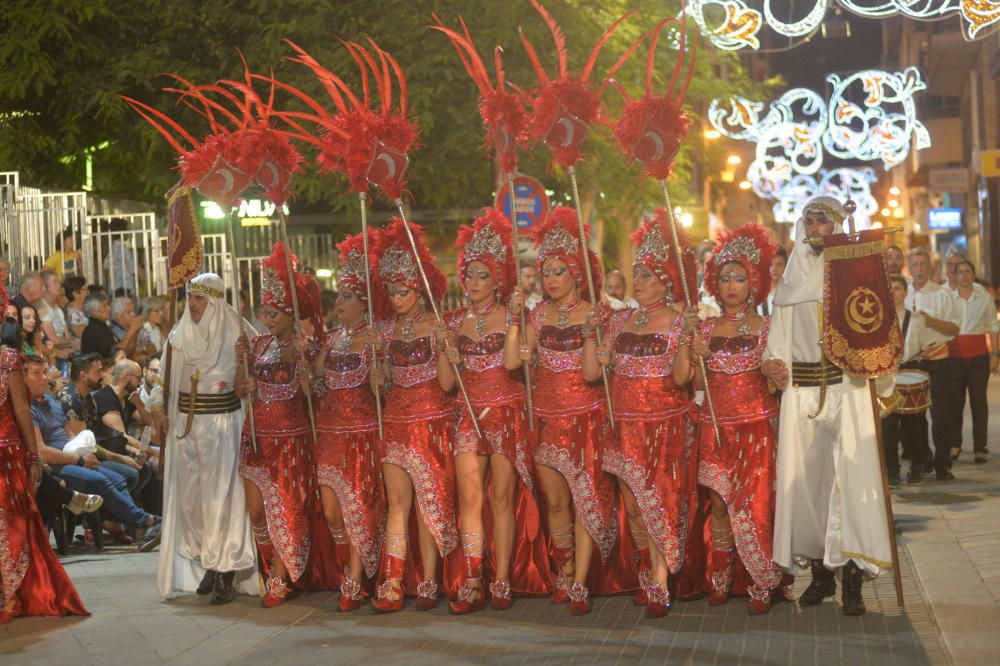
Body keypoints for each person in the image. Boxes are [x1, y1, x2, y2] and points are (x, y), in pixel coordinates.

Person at [763, 196, 894, 616]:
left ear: (838, 226)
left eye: (823, 221)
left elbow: (874, 327)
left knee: (851, 487)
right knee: (808, 489)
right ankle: (820, 576)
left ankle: (853, 580)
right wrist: (772, 366)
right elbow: (777, 340)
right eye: (810, 220)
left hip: (847, 391)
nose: (815, 227)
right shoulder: (788, 283)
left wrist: (880, 371)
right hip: (801, 397)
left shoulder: (853, 278)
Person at [506, 206, 631, 616]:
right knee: (556, 503)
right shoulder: (537, 314)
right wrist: (514, 325)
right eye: (547, 271)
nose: (551, 278)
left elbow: (606, 372)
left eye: (559, 270)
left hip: (587, 419)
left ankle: (580, 580)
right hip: (546, 417)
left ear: (577, 273)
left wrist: (601, 340)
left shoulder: (600, 313)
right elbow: (514, 363)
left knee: (584, 500)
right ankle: (562, 568)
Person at [585, 210, 697, 618]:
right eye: (637, 274)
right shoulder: (618, 320)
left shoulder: (681, 320)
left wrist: (687, 342)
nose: (640, 282)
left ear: (667, 280)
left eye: (648, 275)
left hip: (665, 424)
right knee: (632, 506)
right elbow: (592, 373)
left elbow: (684, 376)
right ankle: (646, 572)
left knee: (661, 501)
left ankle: (662, 580)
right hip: (625, 425)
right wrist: (590, 339)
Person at [676, 224, 789, 615]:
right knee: (720, 505)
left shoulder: (767, 328)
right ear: (714, 283)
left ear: (753, 283)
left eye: (739, 278)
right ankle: (720, 575)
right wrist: (693, 354)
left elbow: (780, 378)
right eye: (724, 278)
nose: (731, 286)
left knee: (757, 505)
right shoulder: (704, 329)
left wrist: (777, 371)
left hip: (757, 428)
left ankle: (761, 579)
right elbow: (687, 382)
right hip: (714, 428)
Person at [441, 210, 550, 614]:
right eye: (468, 275)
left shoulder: (512, 315)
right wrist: (446, 352)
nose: (472, 283)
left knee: (502, 499)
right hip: (468, 415)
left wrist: (518, 323)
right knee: (470, 498)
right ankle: (472, 580)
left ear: (498, 280)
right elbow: (448, 384)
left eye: (482, 275)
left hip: (505, 413)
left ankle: (502, 577)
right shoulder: (453, 322)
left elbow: (509, 366)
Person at [369, 218, 458, 612]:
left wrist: (443, 347)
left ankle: (428, 581)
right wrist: (376, 363)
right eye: (391, 291)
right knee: (398, 503)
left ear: (418, 289)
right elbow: (381, 387)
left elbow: (449, 383)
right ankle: (390, 581)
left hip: (432, 421)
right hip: (396, 421)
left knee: (428, 503)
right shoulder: (384, 331)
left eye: (402, 291)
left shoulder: (438, 324)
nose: (396, 298)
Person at [158, 273, 257, 604]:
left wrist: (247, 359)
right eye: (190, 298)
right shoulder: (178, 335)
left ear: (214, 302)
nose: (193, 305)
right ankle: (210, 562)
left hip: (221, 426)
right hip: (186, 430)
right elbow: (163, 381)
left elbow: (257, 378)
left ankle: (225, 568)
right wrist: (159, 407)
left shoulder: (238, 334)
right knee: (193, 504)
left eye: (200, 299)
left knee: (221, 501)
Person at [236, 243, 325, 608]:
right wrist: (243, 372)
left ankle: (281, 577)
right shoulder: (255, 346)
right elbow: (239, 388)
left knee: (286, 509)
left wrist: (306, 365)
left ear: (290, 314)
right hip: (256, 436)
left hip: (290, 438)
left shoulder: (306, 346)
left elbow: (317, 393)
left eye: (274, 313)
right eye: (264, 312)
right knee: (256, 512)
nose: (267, 319)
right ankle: (270, 566)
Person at [0, 286, 88, 623]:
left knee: (13, 523)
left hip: (7, 453)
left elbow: (22, 411)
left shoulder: (9, 360)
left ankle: (13, 596)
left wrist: (34, 457)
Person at [313, 234, 387, 612]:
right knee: (331, 511)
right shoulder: (331, 339)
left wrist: (379, 364)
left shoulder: (375, 338)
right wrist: (302, 356)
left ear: (364, 303)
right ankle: (347, 565)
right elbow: (316, 383)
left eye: (347, 297)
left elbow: (384, 391)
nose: (339, 302)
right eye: (338, 295)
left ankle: (355, 579)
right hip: (329, 434)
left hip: (361, 434)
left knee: (358, 508)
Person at [26, 355, 162, 539]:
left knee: (120, 479)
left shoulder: (50, 401)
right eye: (36, 374)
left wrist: (84, 454)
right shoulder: (29, 408)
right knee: (100, 480)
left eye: (44, 372)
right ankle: (144, 521)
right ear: (23, 378)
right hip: (54, 464)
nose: (44, 377)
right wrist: (80, 460)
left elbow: (73, 436)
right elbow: (41, 451)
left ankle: (136, 527)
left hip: (74, 455)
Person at [905, 247, 961, 480]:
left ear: (930, 267)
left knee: (940, 415)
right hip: (912, 362)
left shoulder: (941, 294)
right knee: (913, 417)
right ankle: (920, 461)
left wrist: (930, 321)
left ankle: (942, 463)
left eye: (923, 264)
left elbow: (954, 328)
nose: (919, 269)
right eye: (915, 264)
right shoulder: (902, 293)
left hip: (938, 359)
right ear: (910, 267)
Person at [883, 275, 934, 485]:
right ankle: (892, 470)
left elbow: (926, 349)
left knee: (913, 426)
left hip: (911, 373)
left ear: (905, 292)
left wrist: (926, 351)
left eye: (897, 288)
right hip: (888, 379)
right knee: (889, 426)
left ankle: (917, 465)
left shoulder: (917, 320)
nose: (894, 293)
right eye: (890, 289)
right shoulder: (880, 322)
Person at [949, 260, 998, 463]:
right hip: (954, 357)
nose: (964, 275)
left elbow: (993, 327)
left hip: (978, 356)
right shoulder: (948, 298)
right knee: (955, 403)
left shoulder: (984, 297)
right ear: (955, 275)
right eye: (960, 272)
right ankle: (955, 444)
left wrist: (995, 354)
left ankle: (980, 447)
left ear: (973, 274)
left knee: (978, 402)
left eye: (968, 271)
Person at [37, 270, 76, 371]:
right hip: (50, 355)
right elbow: (53, 340)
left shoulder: (57, 308)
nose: (59, 286)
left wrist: (71, 344)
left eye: (58, 282)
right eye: (55, 283)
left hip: (63, 351)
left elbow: (66, 336)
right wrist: (73, 343)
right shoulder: (41, 307)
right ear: (45, 287)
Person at [103, 217, 136, 297]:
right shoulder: (124, 249)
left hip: (113, 288)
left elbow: (105, 267)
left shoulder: (111, 250)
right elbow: (132, 269)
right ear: (123, 232)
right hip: (127, 287)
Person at [758, 247, 786, 317]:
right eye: (770, 264)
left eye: (779, 265)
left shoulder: (790, 294)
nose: (774, 269)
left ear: (786, 267)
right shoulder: (759, 296)